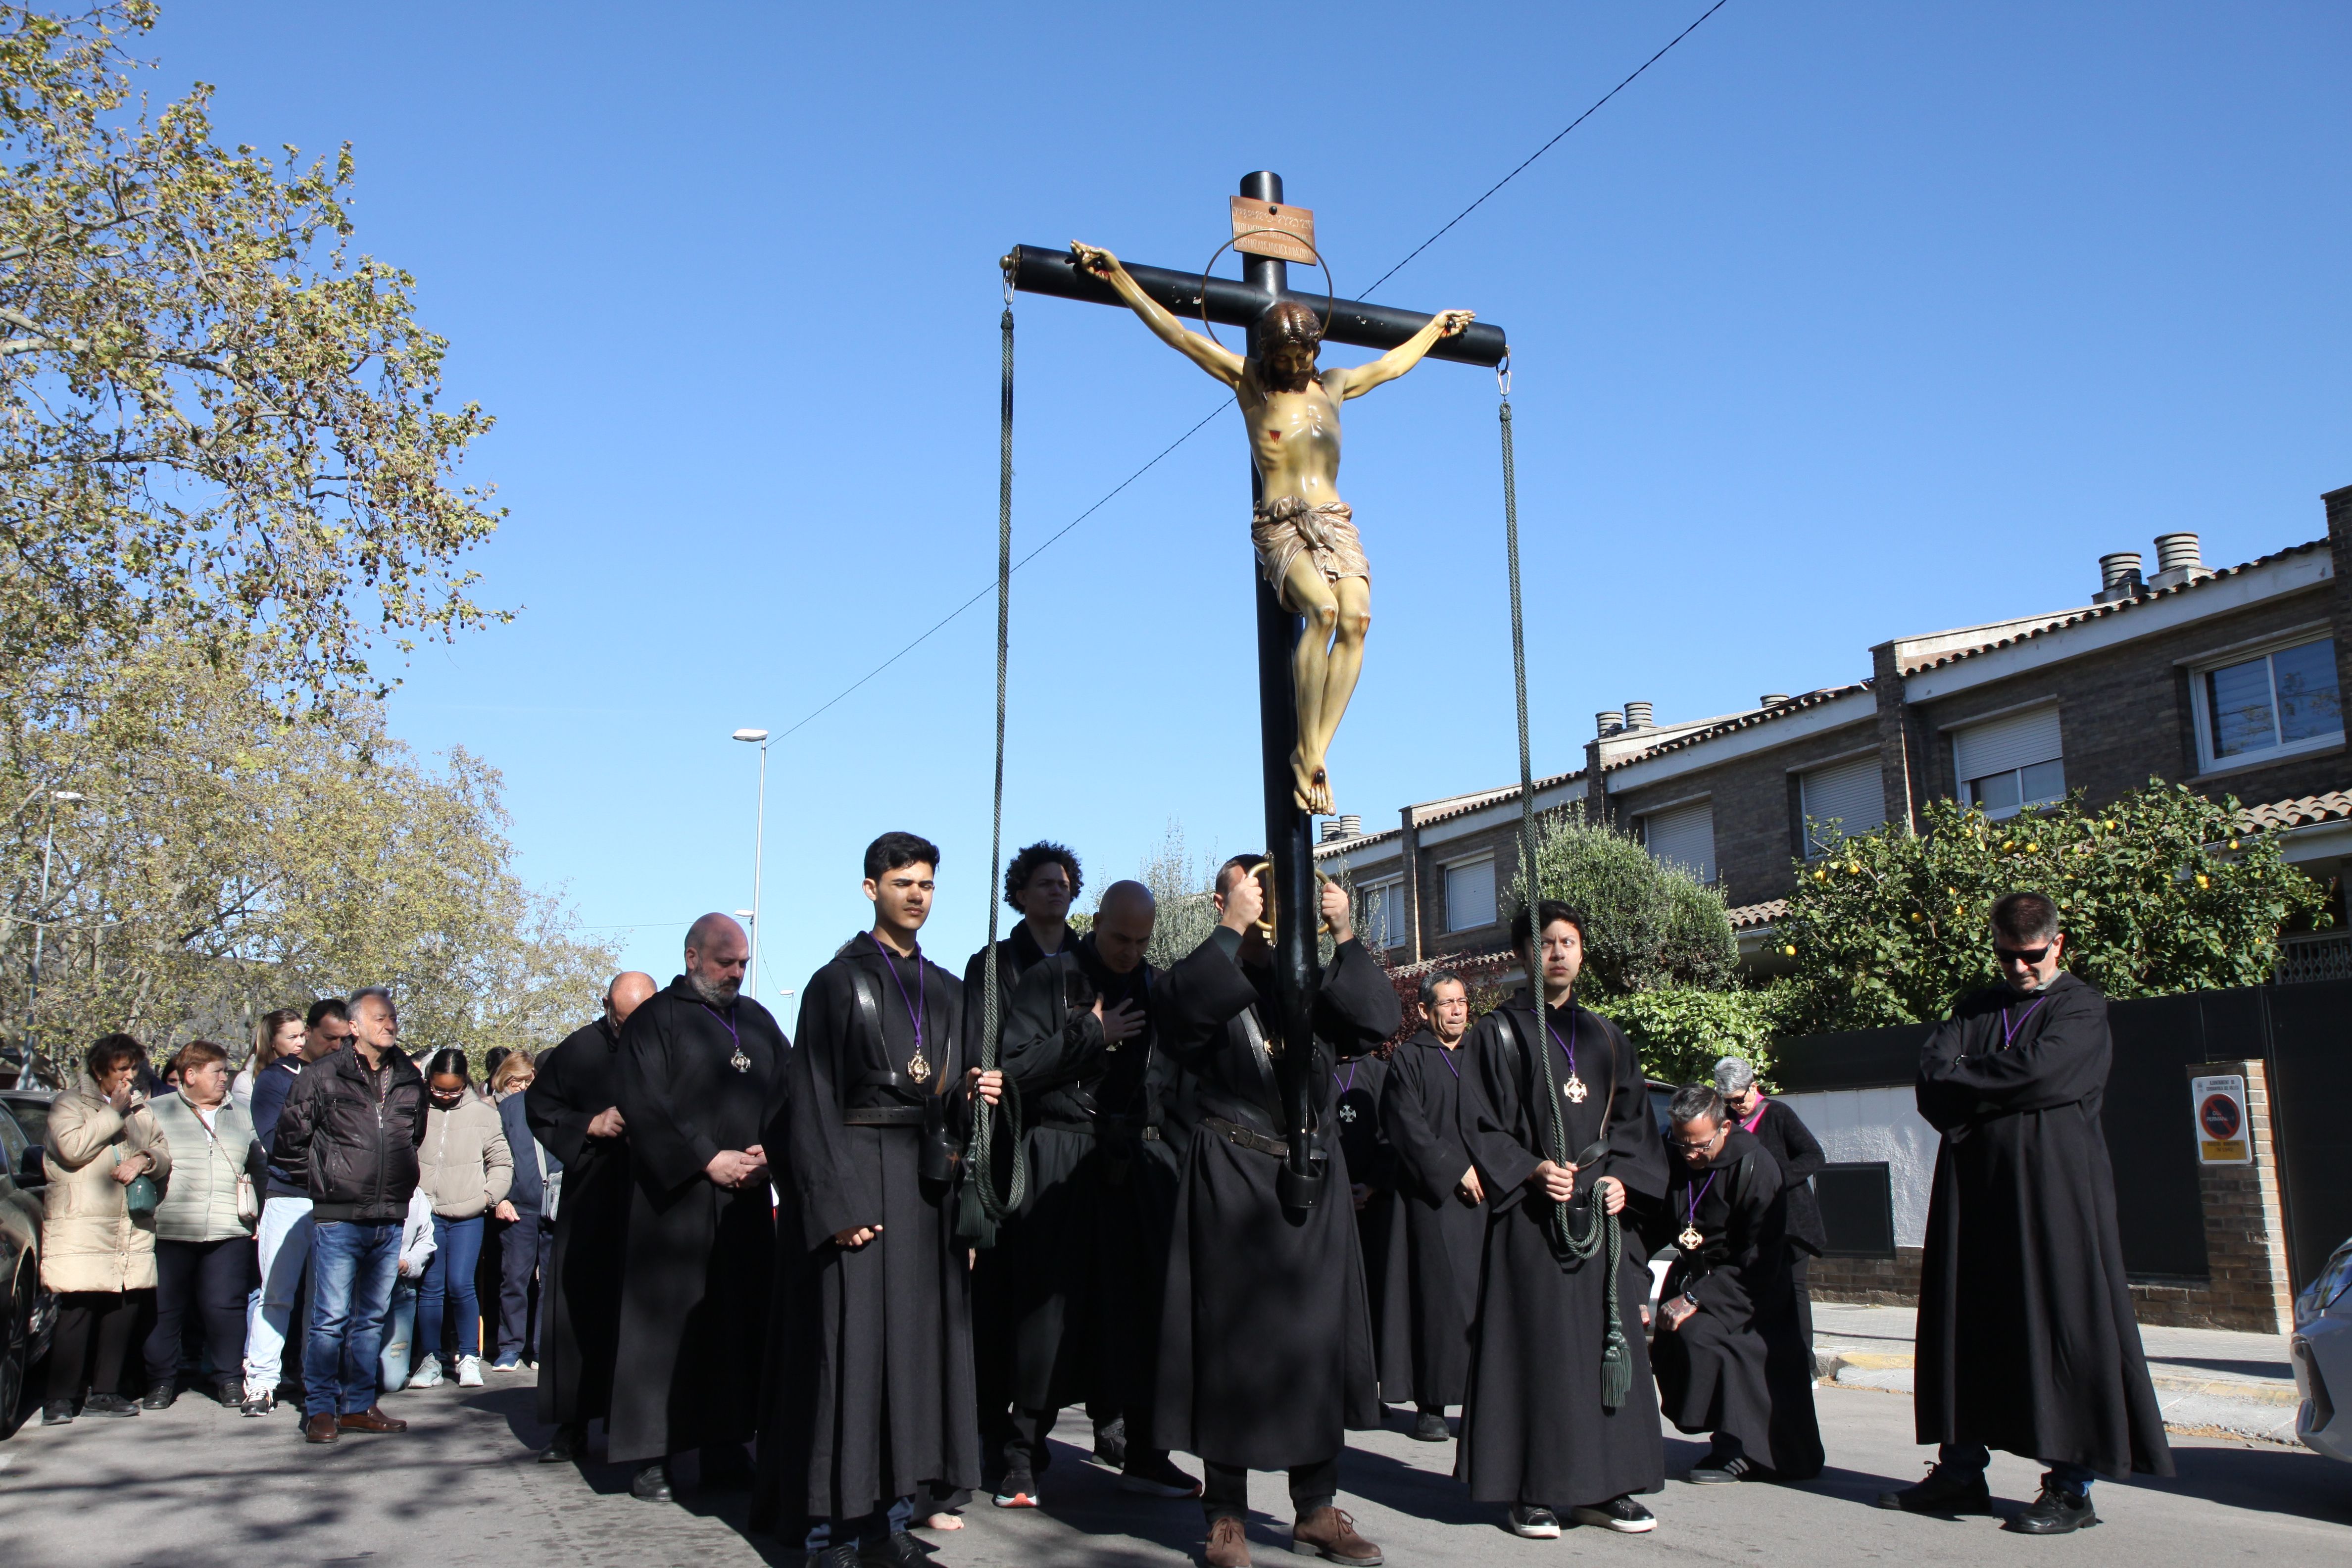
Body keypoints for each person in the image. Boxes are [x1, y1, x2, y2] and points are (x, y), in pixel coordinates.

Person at [1070, 239, 1472, 815]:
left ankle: (1313, 752)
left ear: (1316, 347)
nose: (1294, 366)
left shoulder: (1332, 386)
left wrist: (1434, 328)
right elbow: (1181, 335)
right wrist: (1120, 279)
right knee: (1324, 612)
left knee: (1357, 618)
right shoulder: (1252, 385)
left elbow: (1390, 364)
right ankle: (1306, 756)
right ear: (1268, 353)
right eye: (1283, 357)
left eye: (1302, 354)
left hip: (1334, 519)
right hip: (1281, 521)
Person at [1880, 890, 2172, 1533]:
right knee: (1968, 1324)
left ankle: (2071, 1486)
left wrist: (1974, 1078)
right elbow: (1933, 1076)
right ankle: (1960, 1472)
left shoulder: (2082, 1008)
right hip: (1975, 1198)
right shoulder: (1975, 1006)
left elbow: (2048, 1074)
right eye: (2007, 957)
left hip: (2054, 1199)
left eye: (2031, 957)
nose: (2018, 970)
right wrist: (1997, 1083)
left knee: (2063, 1327)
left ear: (2057, 945)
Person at [757, 832, 995, 1566]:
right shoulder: (837, 982)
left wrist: (973, 1094)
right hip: (860, 1180)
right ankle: (832, 1534)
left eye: (927, 883)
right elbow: (811, 1102)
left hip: (926, 1191)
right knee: (851, 1362)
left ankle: (890, 1526)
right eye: (903, 882)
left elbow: (949, 1103)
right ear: (871, 889)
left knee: (916, 1366)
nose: (917, 895)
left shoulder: (951, 988)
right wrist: (838, 1205)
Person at [1154, 856, 1398, 1568]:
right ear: (1225, 897)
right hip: (1232, 1173)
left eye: (1274, 894)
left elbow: (1379, 1019)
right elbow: (1177, 1016)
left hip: (1312, 1178)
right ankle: (1225, 1515)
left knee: (1315, 1346)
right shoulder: (1205, 970)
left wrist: (1344, 932)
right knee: (1231, 1347)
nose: (1266, 904)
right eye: (1254, 890)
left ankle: (1317, 1510)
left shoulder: (1308, 984)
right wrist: (1231, 927)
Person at [978, 878, 1198, 1507]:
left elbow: (1181, 1079)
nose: (1129, 952)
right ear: (1095, 922)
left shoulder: (1157, 986)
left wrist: (1170, 1156)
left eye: (1142, 941)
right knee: (1046, 1313)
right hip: (1062, 1155)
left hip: (1137, 1161)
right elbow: (1011, 1069)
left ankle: (1146, 1451)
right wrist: (1089, 1036)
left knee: (1142, 1310)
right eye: (1118, 938)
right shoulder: (1052, 980)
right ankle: (1023, 1453)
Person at [1457, 900, 1667, 1539]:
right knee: (1541, 1356)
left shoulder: (1606, 1036)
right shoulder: (1497, 1033)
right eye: (1545, 942)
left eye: (1569, 942)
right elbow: (1479, 1123)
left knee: (1608, 1351)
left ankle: (1607, 1489)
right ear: (1524, 954)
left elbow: (1634, 1125)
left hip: (1597, 1222)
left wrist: (1622, 1179)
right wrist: (1527, 1169)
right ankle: (1534, 1491)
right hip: (1532, 1223)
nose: (1558, 952)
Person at [609, 914, 789, 1503]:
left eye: (742, 962)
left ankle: (727, 1443)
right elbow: (643, 1101)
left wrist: (773, 1150)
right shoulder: (656, 1021)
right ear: (692, 957)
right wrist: (706, 1158)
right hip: (676, 1203)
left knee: (737, 1324)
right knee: (662, 1331)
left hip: (745, 1202)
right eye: (725, 962)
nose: (737, 972)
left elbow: (792, 1090)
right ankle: (652, 1455)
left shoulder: (758, 1021)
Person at [1647, 1083, 1823, 1485]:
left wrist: (1694, 1298)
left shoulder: (1758, 1167)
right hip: (1698, 1274)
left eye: (1700, 1146)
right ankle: (1725, 1439)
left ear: (1724, 1128)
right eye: (1682, 1144)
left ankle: (1735, 1448)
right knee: (1677, 1339)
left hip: (1751, 1286)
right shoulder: (1677, 1157)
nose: (1691, 1154)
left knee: (1705, 1338)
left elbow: (1758, 1256)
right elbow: (1652, 1223)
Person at [271, 988, 425, 1444]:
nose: (390, 1025)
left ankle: (358, 1404)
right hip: (339, 1216)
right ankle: (320, 1408)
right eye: (379, 1018)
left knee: (372, 1317)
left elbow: (411, 1139)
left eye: (393, 1017)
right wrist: (328, 1181)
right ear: (354, 1026)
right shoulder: (321, 1075)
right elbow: (288, 1145)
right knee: (330, 1318)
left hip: (389, 1214)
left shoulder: (408, 1079)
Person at [527, 970, 657, 1462]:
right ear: (606, 1006)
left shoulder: (672, 1042)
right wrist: (590, 1124)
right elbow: (540, 1106)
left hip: (653, 1198)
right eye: (622, 1021)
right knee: (579, 1308)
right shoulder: (580, 1049)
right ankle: (573, 1423)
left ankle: (648, 1434)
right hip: (594, 1193)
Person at [39, 1034, 173, 1424]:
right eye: (120, 1070)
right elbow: (71, 1148)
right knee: (77, 1306)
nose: (128, 1078)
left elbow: (164, 1153)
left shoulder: (141, 1109)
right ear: (99, 1071)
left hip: (129, 1224)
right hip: (83, 1222)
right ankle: (60, 1398)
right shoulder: (68, 1104)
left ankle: (106, 1391)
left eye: (133, 1069)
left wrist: (145, 1161)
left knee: (122, 1304)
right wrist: (113, 1113)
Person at [1376, 970, 1484, 1443]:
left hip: (1486, 1198)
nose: (1458, 1010)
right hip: (1433, 1199)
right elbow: (1406, 1126)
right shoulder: (1409, 1059)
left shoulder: (1485, 1056)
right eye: (1447, 1003)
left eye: (1462, 1001)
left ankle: (1483, 1399)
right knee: (1436, 1300)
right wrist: (1452, 1169)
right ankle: (1433, 1402)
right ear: (1425, 1011)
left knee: (1484, 1302)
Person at [242, 997, 352, 1414]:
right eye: (330, 1038)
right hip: (289, 1198)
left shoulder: (348, 1077)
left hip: (333, 1202)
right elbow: (278, 1143)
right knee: (277, 1293)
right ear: (308, 1033)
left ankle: (316, 1381)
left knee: (324, 1301)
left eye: (345, 1040)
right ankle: (261, 1382)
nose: (337, 1046)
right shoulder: (275, 1080)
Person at [143, 1040, 263, 1410]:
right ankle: (161, 1382)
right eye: (218, 1072)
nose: (225, 1078)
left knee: (224, 1308)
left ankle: (228, 1380)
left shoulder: (242, 1113)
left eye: (227, 1071)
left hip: (228, 1229)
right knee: (165, 1310)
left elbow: (259, 1164)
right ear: (190, 1075)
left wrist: (258, 1212)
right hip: (170, 1228)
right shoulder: (155, 1111)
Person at [403, 1048, 512, 1391]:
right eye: (438, 1089)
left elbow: (501, 1162)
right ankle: (432, 1358)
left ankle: (468, 1357)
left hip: (467, 1214)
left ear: (465, 1082)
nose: (446, 1096)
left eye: (453, 1090)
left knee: (461, 1284)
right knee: (431, 1288)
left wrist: (487, 1197)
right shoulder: (417, 1108)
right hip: (426, 1214)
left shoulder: (483, 1115)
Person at [1715, 1056, 1826, 1350]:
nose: (1737, 1106)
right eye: (1729, 1101)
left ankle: (1805, 1361)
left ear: (1754, 1087)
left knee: (1794, 1289)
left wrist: (1775, 1181)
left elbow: (1813, 1156)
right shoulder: (1725, 1121)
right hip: (1749, 1223)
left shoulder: (1778, 1114)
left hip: (1790, 1221)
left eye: (1740, 1099)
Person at [489, 1051, 551, 1372]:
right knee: (515, 1278)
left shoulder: (570, 1106)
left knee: (551, 1282)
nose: (526, 1086)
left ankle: (544, 1348)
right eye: (520, 1081)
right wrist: (500, 1198)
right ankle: (511, 1347)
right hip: (519, 1206)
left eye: (529, 1080)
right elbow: (496, 1156)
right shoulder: (510, 1109)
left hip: (557, 1206)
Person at [377, 1186, 438, 1394]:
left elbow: (426, 1241)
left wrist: (407, 1263)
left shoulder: (417, 1194)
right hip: (363, 1287)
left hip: (399, 1285)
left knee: (391, 1383)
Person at [232, 1009, 305, 1116]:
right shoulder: (247, 1080)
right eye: (292, 1037)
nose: (301, 1043)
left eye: (302, 1035)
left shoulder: (310, 1070)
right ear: (272, 1041)